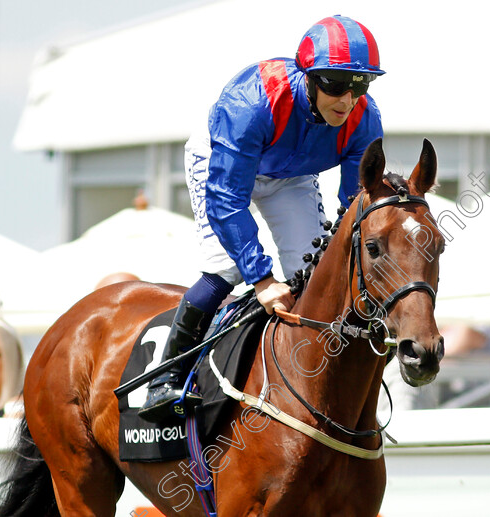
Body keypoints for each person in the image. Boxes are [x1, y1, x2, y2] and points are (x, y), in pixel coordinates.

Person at [139, 15, 385, 421]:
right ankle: (164, 380)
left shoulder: (365, 120)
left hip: (290, 177)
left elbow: (353, 207)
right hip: (224, 164)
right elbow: (226, 198)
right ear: (308, 76)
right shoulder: (251, 104)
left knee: (315, 271)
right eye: (335, 85)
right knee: (225, 268)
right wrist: (264, 280)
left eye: (360, 86)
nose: (347, 100)